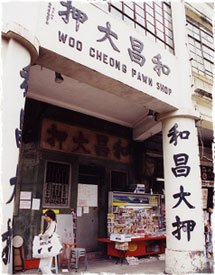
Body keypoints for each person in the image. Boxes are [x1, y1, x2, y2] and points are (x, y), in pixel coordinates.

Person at [39, 209, 57, 274]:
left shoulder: (53, 224)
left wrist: (42, 236)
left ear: (50, 217)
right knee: (47, 266)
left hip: (48, 247)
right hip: (49, 246)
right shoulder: (51, 224)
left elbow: (49, 234)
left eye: (46, 216)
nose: (45, 218)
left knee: (42, 266)